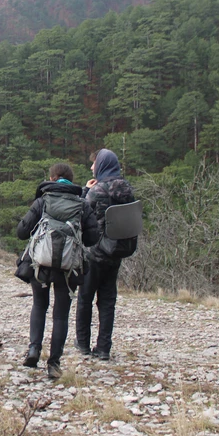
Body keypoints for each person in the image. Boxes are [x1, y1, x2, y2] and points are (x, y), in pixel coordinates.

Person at [16, 163, 99, 379]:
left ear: (52, 179)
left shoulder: (43, 200)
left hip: (40, 265)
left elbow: (22, 232)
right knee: (61, 315)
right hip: (69, 267)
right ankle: (54, 363)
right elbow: (92, 238)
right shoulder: (82, 204)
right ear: (71, 181)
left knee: (39, 305)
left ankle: (34, 350)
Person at [75, 149, 136, 361]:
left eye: (94, 164)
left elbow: (81, 211)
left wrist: (85, 190)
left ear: (101, 165)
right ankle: (103, 348)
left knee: (85, 298)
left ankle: (82, 344)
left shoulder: (97, 190)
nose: (92, 167)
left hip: (94, 252)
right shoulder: (126, 188)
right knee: (108, 300)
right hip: (117, 251)